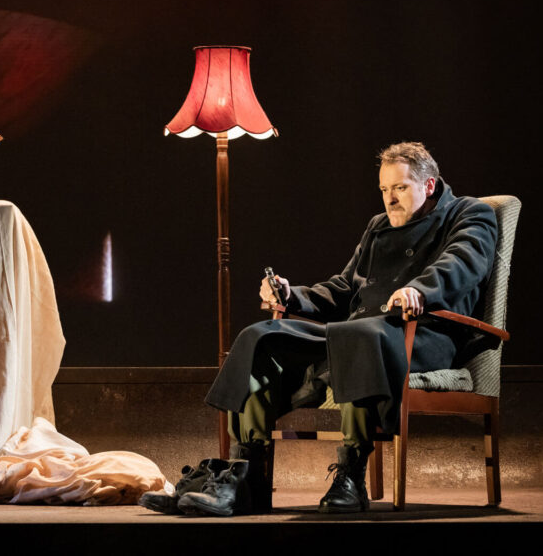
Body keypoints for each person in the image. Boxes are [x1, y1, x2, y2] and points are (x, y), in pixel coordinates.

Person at [145, 142, 499, 517]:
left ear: (429, 185)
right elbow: (346, 289)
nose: (389, 199)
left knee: (359, 337)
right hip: (358, 334)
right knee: (261, 338)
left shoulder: (469, 214)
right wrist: (291, 295)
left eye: (399, 188)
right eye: (384, 189)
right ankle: (245, 478)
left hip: (421, 334)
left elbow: (462, 264)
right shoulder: (378, 227)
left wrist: (420, 291)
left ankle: (351, 475)